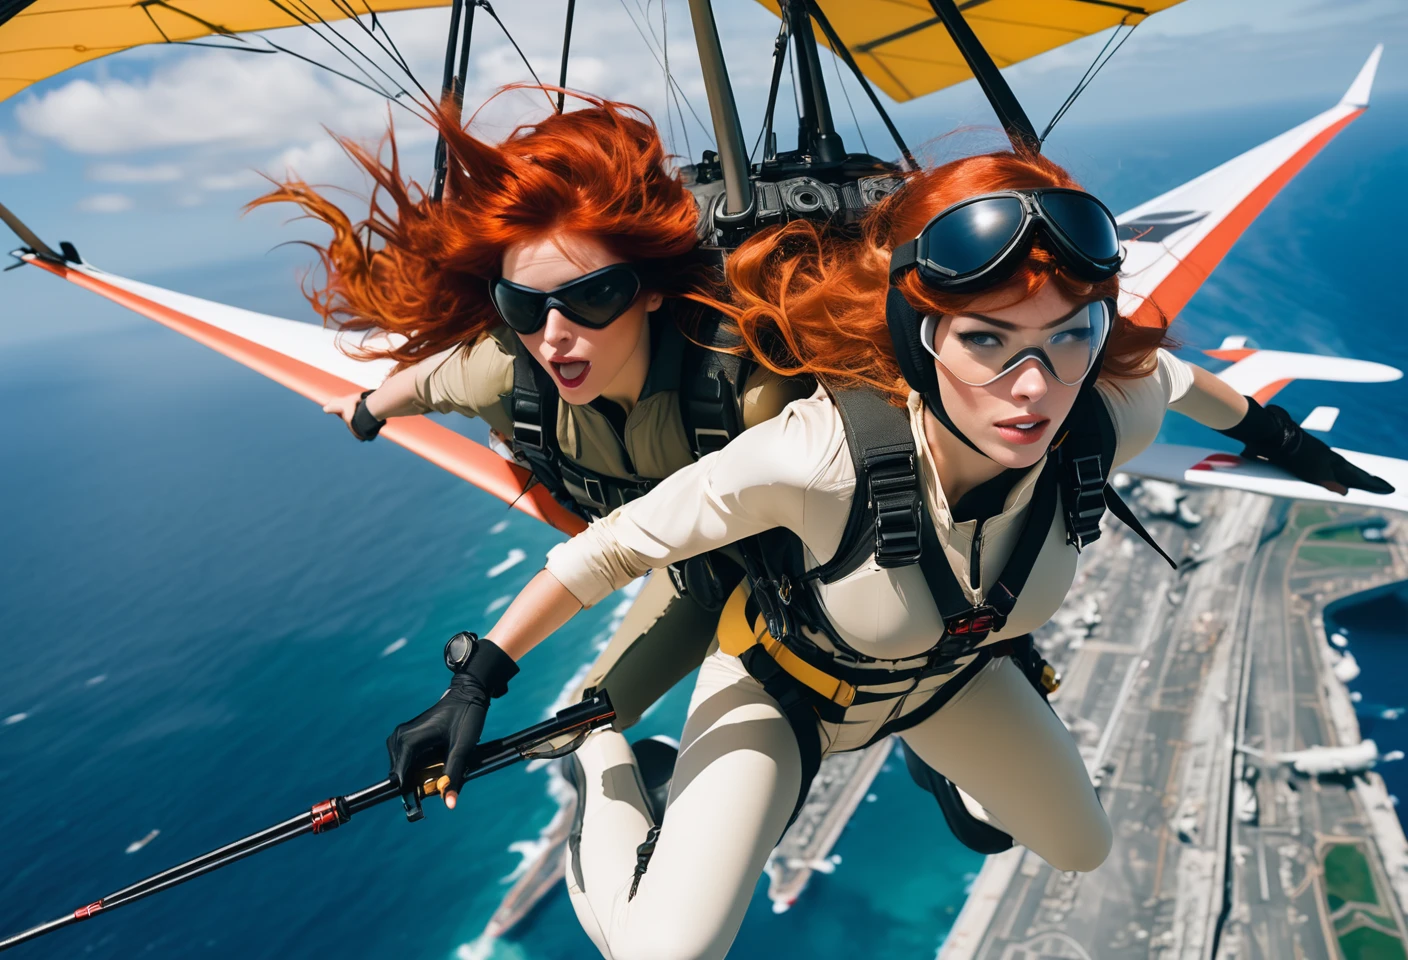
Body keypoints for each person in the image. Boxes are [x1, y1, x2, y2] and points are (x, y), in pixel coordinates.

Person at [384, 148, 1392, 959]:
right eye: (988, 342)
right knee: (665, 954)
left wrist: (1285, 440)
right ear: (919, 335)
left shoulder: (1094, 416)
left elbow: (1166, 374)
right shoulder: (816, 457)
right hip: (783, 690)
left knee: (1078, 848)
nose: (1034, 388)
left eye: (1068, 335)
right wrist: (477, 681)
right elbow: (605, 552)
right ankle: (603, 762)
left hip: (944, 682)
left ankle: (932, 770)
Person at [254, 93, 811, 738]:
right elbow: (421, 384)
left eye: (592, 297)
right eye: (523, 306)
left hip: (803, 585)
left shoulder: (750, 391)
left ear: (652, 289)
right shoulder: (505, 372)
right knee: (573, 734)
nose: (553, 337)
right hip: (691, 577)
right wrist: (362, 411)